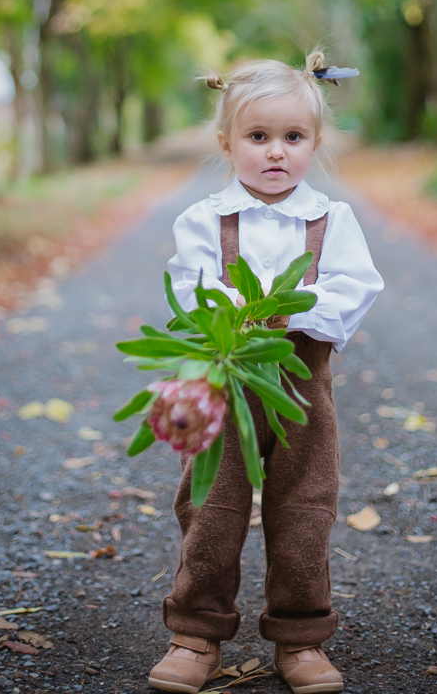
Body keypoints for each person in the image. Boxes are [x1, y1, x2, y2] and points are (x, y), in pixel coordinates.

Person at [149, 53, 384, 694]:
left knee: (305, 505)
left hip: (302, 387)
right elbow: (191, 289)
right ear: (227, 143)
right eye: (258, 137)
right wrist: (239, 312)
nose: (275, 152)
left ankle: (301, 637)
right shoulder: (204, 220)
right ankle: (195, 633)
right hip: (224, 386)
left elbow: (356, 285)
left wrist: (293, 310)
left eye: (292, 137)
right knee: (211, 503)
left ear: (314, 141)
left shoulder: (331, 219)